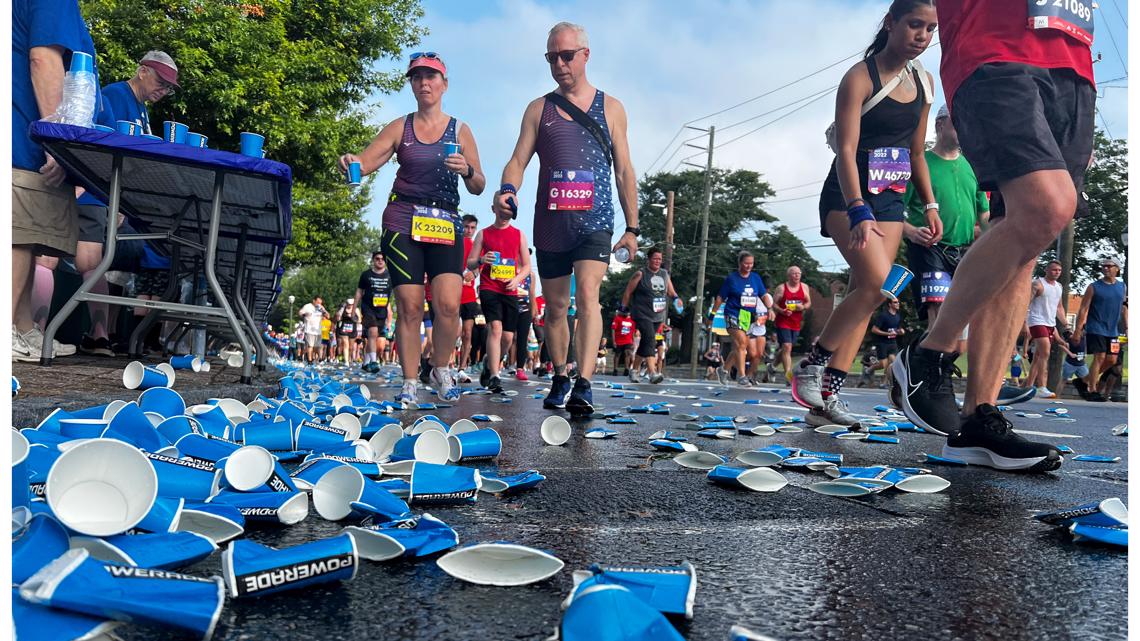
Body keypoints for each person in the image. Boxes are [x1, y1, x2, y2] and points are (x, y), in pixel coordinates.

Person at [893, 0, 1095, 472]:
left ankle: (977, 422)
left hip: (1073, 55)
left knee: (1023, 235)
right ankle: (928, 352)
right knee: (1046, 206)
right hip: (996, 47)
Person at [794, 0, 937, 430]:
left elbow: (916, 152)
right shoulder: (859, 77)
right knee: (876, 283)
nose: (922, 37)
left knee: (870, 294)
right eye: (915, 25)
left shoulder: (926, 83)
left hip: (893, 200)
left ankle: (827, 399)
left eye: (931, 30)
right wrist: (857, 206)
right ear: (891, 23)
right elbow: (847, 148)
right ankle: (811, 365)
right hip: (847, 194)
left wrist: (929, 205)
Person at [492, 22, 639, 417]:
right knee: (556, 308)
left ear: (585, 55)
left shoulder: (611, 108)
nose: (559, 64)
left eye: (566, 56)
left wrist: (632, 228)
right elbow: (519, 159)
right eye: (551, 57)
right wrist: (508, 188)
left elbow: (625, 171)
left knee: (588, 296)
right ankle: (561, 374)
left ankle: (585, 383)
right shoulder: (538, 109)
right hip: (551, 223)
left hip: (595, 220)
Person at [338, 51, 486, 404]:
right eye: (417, 77)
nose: (424, 83)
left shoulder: (460, 130)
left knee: (449, 305)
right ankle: (409, 381)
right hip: (403, 221)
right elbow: (367, 160)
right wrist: (349, 162)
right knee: (409, 305)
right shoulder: (399, 127)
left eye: (431, 77)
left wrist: (466, 169)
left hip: (445, 223)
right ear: (411, 84)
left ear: (444, 84)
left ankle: (440, 368)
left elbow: (479, 184)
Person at [13, 1, 107, 361]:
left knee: (30, 235)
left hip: (25, 140)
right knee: (19, 235)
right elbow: (43, 59)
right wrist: (56, 140)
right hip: (23, 141)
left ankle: (22, 329)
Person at [901, 103, 989, 331]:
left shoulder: (972, 166)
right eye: (958, 122)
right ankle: (930, 365)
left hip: (964, 252)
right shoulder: (920, 164)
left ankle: (907, 364)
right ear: (940, 124)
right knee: (937, 313)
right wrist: (910, 231)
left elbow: (985, 214)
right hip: (929, 248)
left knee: (960, 331)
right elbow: (891, 211)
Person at [467, 197, 532, 394]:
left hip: (510, 289)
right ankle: (495, 375)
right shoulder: (483, 234)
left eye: (508, 211)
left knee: (507, 337)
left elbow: (527, 265)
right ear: (493, 208)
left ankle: (491, 360)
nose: (505, 215)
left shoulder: (519, 235)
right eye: (501, 210)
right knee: (495, 328)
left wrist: (517, 279)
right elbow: (470, 263)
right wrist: (480, 259)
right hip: (489, 287)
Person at [709, 252, 774, 388]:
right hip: (732, 313)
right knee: (742, 343)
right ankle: (742, 377)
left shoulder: (755, 278)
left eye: (751, 263)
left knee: (741, 346)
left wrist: (770, 308)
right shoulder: (732, 279)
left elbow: (763, 295)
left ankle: (723, 369)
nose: (749, 266)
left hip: (746, 316)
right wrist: (712, 315)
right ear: (739, 263)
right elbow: (720, 298)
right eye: (746, 263)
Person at [1073, 258, 1127, 402]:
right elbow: (1084, 309)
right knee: (1100, 357)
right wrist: (1078, 329)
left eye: (1109, 266)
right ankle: (1092, 390)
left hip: (1113, 330)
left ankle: (1084, 380)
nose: (1106, 268)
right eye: (1104, 266)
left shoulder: (1122, 287)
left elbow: (1124, 307)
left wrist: (1127, 327)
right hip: (1096, 328)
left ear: (1117, 269)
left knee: (1112, 360)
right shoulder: (1093, 287)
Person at [621, 248, 677, 384]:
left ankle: (634, 370)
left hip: (658, 315)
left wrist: (677, 299)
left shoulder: (664, 274)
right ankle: (652, 373)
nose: (657, 261)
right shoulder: (640, 274)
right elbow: (628, 292)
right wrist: (623, 308)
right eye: (655, 258)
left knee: (646, 342)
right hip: (641, 313)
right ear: (649, 259)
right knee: (650, 340)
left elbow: (671, 292)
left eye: (659, 259)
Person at [1023, 261, 1068, 398]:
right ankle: (1042, 386)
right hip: (1036, 321)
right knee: (1045, 352)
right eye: (1054, 270)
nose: (1057, 272)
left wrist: (1065, 323)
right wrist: (1024, 322)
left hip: (1050, 323)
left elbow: (1059, 307)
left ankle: (1028, 387)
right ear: (1046, 270)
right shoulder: (1038, 284)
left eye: (1059, 270)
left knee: (1038, 356)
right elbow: (1025, 303)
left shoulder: (1059, 287)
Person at [770, 266, 811, 383]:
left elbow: (808, 302)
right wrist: (782, 311)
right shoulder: (782, 288)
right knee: (787, 347)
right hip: (783, 321)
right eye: (794, 274)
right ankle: (789, 377)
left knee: (786, 349)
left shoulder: (804, 287)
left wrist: (802, 307)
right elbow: (774, 304)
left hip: (796, 322)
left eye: (799, 273)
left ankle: (772, 367)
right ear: (789, 276)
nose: (797, 276)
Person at [354, 250, 392, 374]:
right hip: (368, 307)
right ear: (373, 260)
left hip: (382, 310)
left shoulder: (390, 275)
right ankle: (374, 361)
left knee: (374, 337)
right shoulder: (366, 275)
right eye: (377, 259)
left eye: (382, 259)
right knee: (372, 332)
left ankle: (366, 361)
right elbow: (359, 291)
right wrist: (354, 308)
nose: (380, 261)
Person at [457, 214, 481, 381]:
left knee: (467, 333)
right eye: (466, 227)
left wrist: (473, 273)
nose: (469, 230)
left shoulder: (476, 246)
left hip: (469, 296)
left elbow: (479, 268)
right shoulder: (455, 243)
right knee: (449, 332)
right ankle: (435, 364)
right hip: (452, 293)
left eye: (472, 227)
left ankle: (461, 368)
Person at [865, 298, 905, 387]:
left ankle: (884, 382)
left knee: (893, 363)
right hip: (882, 343)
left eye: (898, 302)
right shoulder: (883, 316)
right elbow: (874, 329)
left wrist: (901, 331)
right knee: (883, 364)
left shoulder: (898, 316)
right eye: (895, 302)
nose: (898, 303)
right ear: (890, 304)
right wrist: (887, 333)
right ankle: (870, 369)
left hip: (892, 343)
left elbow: (898, 328)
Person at [513, 273, 536, 380]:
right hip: (509, 306)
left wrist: (533, 310)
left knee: (522, 340)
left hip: (525, 310)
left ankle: (520, 368)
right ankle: (494, 364)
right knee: (507, 338)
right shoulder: (510, 266)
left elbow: (532, 293)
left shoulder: (530, 275)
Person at [610, 305, 636, 376]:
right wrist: (614, 341)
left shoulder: (632, 322)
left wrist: (633, 342)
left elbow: (632, 332)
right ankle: (615, 369)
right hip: (619, 340)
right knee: (617, 354)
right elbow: (613, 329)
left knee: (627, 353)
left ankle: (626, 369)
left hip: (628, 341)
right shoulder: (617, 319)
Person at [298, 296, 325, 363]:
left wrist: (323, 310)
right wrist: (305, 314)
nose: (319, 304)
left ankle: (312, 358)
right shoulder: (307, 306)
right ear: (314, 301)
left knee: (316, 347)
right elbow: (300, 313)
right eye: (318, 302)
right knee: (310, 346)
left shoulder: (321, 308)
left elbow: (328, 316)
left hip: (318, 331)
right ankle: (310, 361)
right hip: (309, 330)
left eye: (320, 303)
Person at [335, 298, 361, 365]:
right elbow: (338, 319)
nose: (350, 306)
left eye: (351, 304)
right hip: (344, 328)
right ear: (346, 303)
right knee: (345, 344)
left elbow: (360, 320)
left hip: (353, 329)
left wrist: (353, 318)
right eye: (348, 304)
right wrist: (338, 316)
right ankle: (346, 361)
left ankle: (349, 358)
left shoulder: (356, 310)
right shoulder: (343, 309)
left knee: (351, 347)